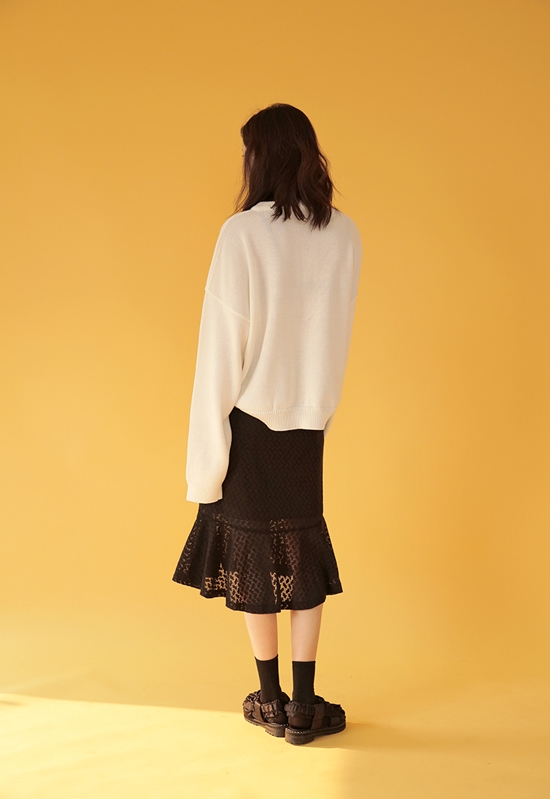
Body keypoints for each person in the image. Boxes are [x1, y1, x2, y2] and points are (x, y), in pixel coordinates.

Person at [172, 103, 362, 745]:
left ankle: (272, 698)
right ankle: (305, 705)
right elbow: (332, 337)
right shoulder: (344, 235)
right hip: (308, 427)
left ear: (261, 157)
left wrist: (206, 465)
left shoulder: (243, 234)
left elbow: (219, 353)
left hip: (250, 424)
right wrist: (317, 409)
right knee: (302, 557)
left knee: (257, 560)